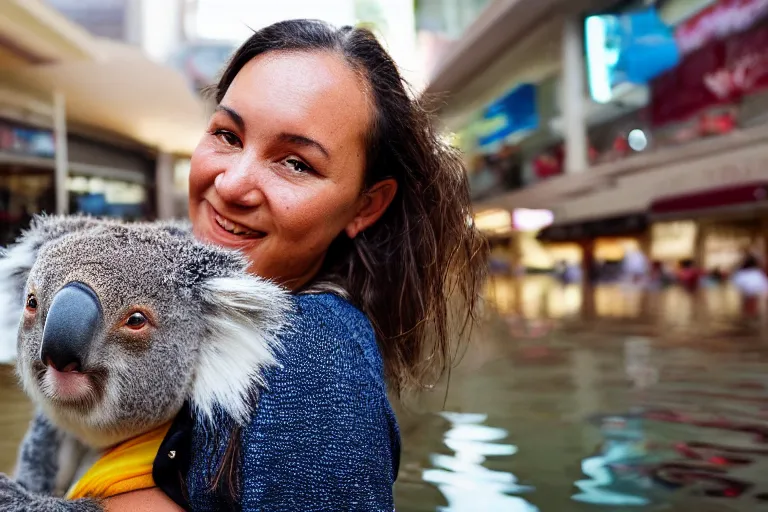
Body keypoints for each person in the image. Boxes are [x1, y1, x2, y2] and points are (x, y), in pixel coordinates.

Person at [106, 19, 488, 511]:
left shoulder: (312, 358)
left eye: (296, 164)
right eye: (227, 134)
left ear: (364, 206)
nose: (231, 184)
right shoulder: (192, 310)